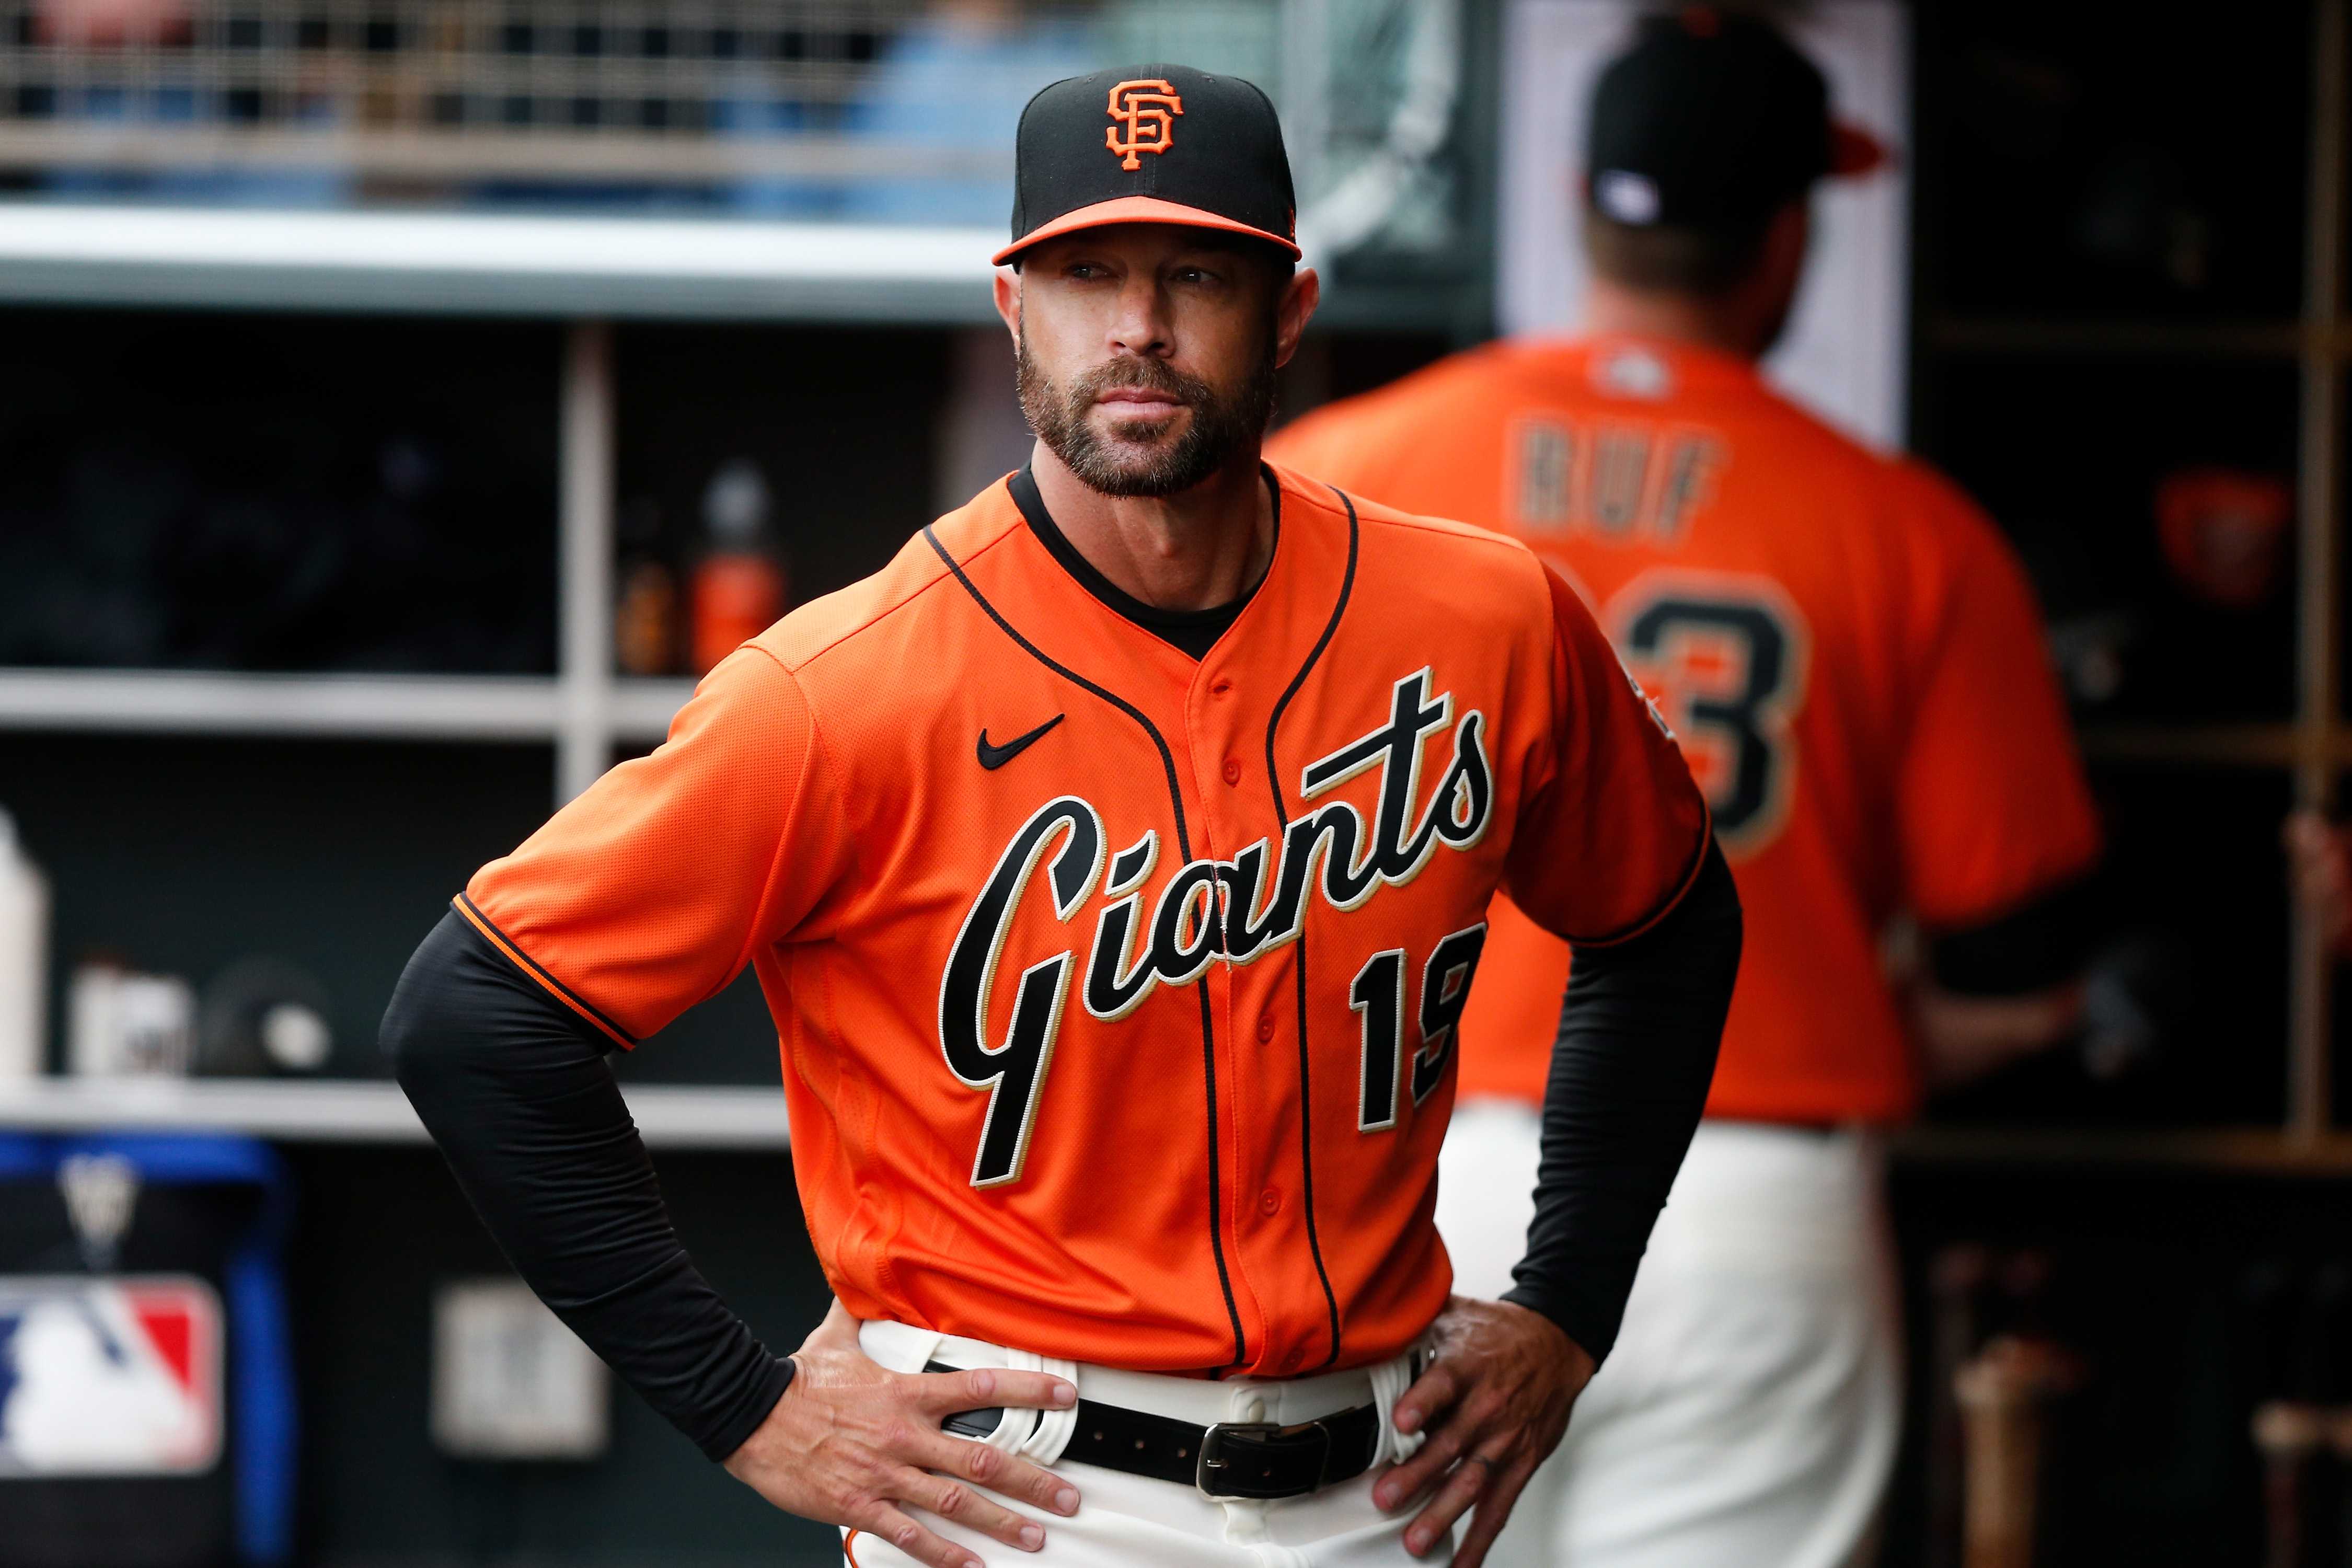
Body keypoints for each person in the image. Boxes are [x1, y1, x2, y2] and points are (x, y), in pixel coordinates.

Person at [383, 62, 1742, 1568]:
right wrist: (744, 1407)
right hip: (1020, 1505)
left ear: (1287, 312)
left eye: (1194, 275)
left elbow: (1667, 923)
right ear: (1011, 309)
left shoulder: (1484, 617)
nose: (1136, 326)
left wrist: (1568, 1303)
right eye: (1083, 273)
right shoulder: (844, 685)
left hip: (1385, 1488)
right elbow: (474, 1017)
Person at [1269, 13, 2103, 1567]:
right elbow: (2018, 985)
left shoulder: (1336, 479)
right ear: (1785, 237)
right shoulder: (1908, 532)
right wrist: (1830, 1006)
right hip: (1742, 1194)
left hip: (1390, 1177)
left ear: (1579, 194)